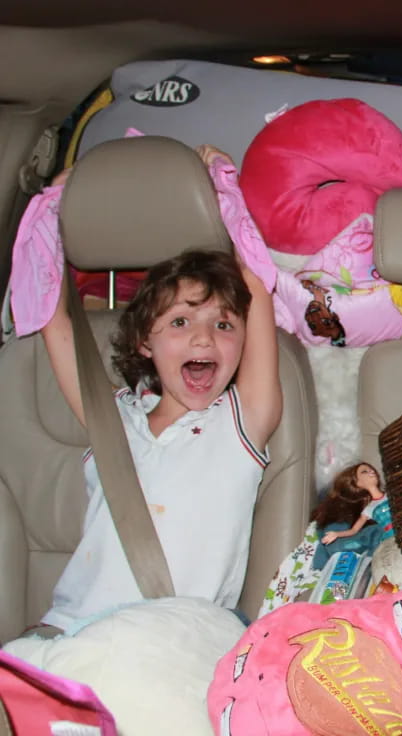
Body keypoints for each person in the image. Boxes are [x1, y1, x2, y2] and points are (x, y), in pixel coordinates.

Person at [37, 209, 282, 632]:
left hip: (171, 639)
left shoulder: (239, 423)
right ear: (144, 341)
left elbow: (255, 285)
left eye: (224, 324)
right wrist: (53, 208)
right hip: (71, 633)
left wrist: (223, 194)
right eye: (180, 322)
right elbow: (54, 323)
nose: (204, 337)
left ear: (244, 343)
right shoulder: (113, 416)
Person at [310, 462, 393, 567]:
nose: (372, 472)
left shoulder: (386, 498)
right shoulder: (340, 512)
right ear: (356, 484)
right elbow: (335, 547)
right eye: (364, 471)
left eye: (371, 470)